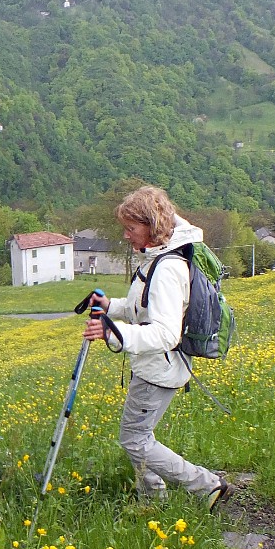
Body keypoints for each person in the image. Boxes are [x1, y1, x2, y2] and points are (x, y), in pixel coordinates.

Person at [82, 186, 234, 508]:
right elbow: (145, 308)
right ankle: (152, 499)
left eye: (131, 228)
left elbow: (167, 333)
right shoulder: (156, 258)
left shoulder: (166, 269)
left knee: (135, 439)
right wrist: (111, 306)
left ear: (151, 226)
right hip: (155, 366)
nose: (125, 235)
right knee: (138, 438)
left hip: (159, 369)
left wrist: (114, 336)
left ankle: (205, 485)